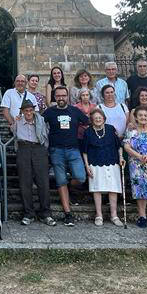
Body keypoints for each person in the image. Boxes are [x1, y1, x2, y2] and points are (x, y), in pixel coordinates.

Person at [42, 86, 89, 226]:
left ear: (67, 96)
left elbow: (88, 122)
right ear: (54, 97)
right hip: (56, 150)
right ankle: (68, 213)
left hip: (74, 149)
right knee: (60, 180)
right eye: (58, 96)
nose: (61, 98)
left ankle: (68, 187)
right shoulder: (49, 112)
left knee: (81, 177)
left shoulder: (75, 111)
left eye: (63, 95)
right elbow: (37, 123)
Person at [81, 108, 125, 226]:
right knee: (97, 189)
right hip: (94, 162)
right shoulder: (88, 132)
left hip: (112, 161)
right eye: (95, 118)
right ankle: (99, 215)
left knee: (113, 188)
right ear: (92, 120)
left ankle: (114, 215)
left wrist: (121, 157)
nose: (98, 119)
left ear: (104, 119)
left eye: (100, 118)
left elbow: (119, 146)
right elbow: (84, 151)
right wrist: (86, 166)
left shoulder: (110, 129)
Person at [14, 99, 54, 226]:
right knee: (25, 182)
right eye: (26, 110)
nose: (29, 112)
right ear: (22, 111)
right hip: (24, 148)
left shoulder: (41, 120)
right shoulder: (17, 122)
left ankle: (46, 214)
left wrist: (43, 148)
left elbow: (46, 135)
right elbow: (14, 134)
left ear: (34, 110)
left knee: (43, 181)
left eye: (31, 110)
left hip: (39, 148)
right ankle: (28, 214)